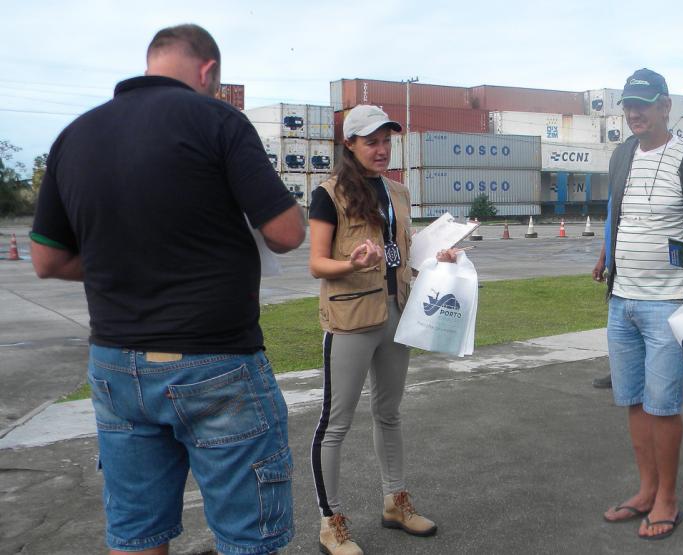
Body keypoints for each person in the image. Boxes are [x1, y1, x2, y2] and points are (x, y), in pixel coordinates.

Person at [29, 24, 305, 555]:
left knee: (136, 533)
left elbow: (47, 259)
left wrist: (126, 261)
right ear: (208, 72)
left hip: (116, 367)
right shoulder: (219, 120)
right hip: (215, 362)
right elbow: (286, 233)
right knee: (249, 537)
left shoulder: (75, 135)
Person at [592, 68, 683, 540]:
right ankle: (646, 489)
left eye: (644, 104)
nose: (634, 113)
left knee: (663, 406)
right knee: (632, 400)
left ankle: (668, 498)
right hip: (622, 300)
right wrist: (607, 253)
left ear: (666, 106)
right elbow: (620, 212)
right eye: (628, 104)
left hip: (670, 305)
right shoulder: (622, 155)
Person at [308, 104, 455, 555]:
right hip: (351, 317)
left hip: (397, 311)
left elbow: (405, 255)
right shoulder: (328, 194)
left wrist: (440, 257)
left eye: (387, 140)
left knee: (389, 414)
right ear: (350, 144)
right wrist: (350, 262)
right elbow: (316, 263)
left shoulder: (399, 192)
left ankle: (395, 501)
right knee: (336, 423)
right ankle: (330, 521)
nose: (382, 149)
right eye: (371, 141)